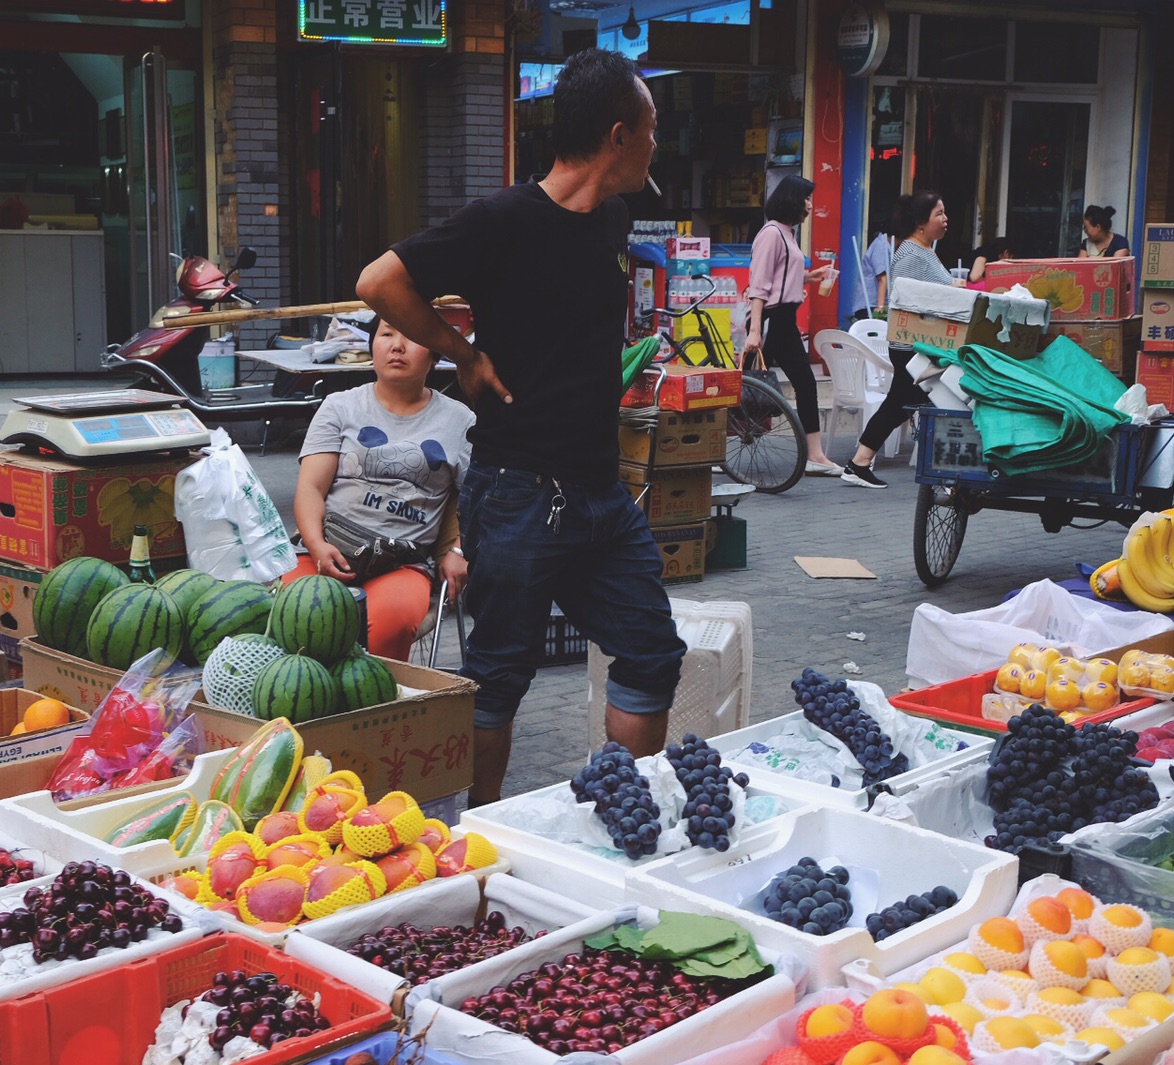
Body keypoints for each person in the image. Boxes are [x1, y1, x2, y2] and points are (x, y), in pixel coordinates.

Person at [356, 47, 686, 805]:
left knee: (650, 653)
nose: (656, 143)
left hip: (599, 495)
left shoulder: (612, 220)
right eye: (652, 127)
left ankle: (621, 815)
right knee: (499, 679)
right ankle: (484, 833)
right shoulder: (503, 220)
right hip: (517, 495)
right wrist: (459, 354)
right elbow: (379, 282)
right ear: (617, 134)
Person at [287, 319, 473, 661]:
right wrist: (316, 546)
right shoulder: (339, 407)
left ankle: (380, 710)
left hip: (401, 563)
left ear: (434, 355)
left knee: (388, 624)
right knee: (293, 616)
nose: (397, 346)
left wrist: (459, 553)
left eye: (412, 336)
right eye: (386, 334)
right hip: (327, 549)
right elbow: (311, 488)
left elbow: (479, 501)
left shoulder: (461, 422)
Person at [844, 191, 957, 490]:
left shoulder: (925, 250)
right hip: (911, 348)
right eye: (939, 214)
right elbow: (908, 302)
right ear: (921, 223)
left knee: (904, 404)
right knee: (924, 402)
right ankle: (947, 471)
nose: (945, 219)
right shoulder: (910, 255)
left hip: (921, 347)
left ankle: (860, 463)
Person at [743, 174, 840, 476]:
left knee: (750, 385)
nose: (810, 205)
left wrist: (811, 276)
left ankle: (720, 446)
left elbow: (781, 277)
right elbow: (759, 286)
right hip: (774, 320)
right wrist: (756, 332)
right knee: (801, 383)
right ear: (792, 200)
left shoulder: (787, 233)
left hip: (782, 318)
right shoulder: (772, 233)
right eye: (806, 199)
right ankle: (815, 455)